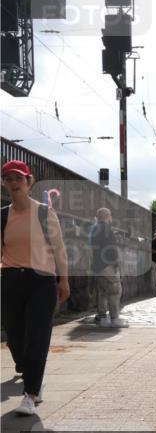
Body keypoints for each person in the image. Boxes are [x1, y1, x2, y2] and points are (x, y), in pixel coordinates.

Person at [1, 160, 71, 416]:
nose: (13, 183)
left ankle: (30, 394)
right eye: (8, 179)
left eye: (18, 178)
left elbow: (59, 249)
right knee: (15, 336)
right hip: (10, 280)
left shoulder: (43, 212)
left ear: (29, 183)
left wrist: (63, 280)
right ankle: (31, 373)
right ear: (3, 183)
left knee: (38, 337)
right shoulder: (2, 215)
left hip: (41, 280)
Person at [89, 208, 127, 328]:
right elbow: (111, 248)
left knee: (102, 291)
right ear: (106, 216)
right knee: (115, 290)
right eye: (110, 215)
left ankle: (102, 317)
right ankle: (114, 318)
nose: (111, 217)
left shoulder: (94, 229)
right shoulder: (106, 229)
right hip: (107, 265)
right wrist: (116, 262)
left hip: (97, 265)